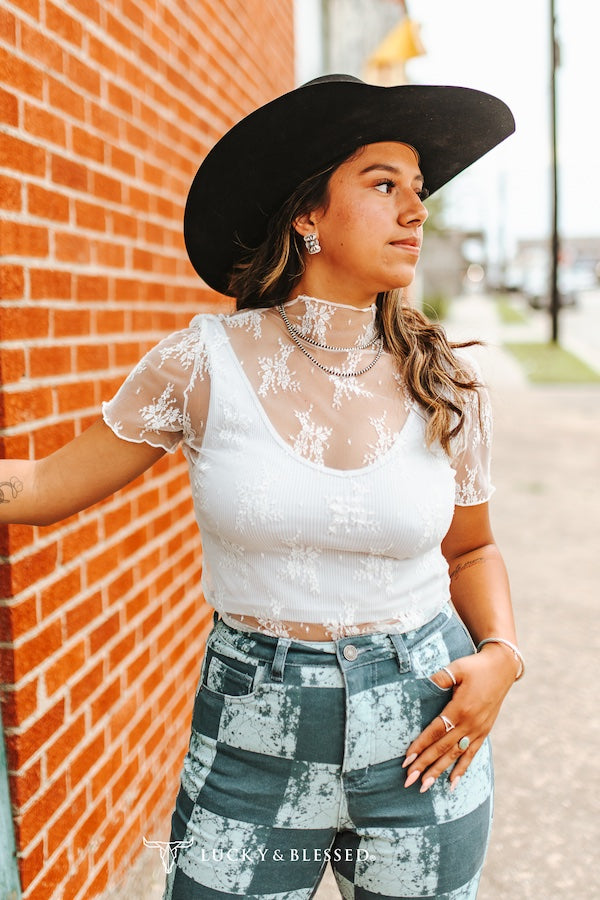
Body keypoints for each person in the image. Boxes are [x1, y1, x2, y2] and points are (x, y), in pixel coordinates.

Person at [1, 75, 524, 899]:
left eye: (418, 191)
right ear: (307, 214)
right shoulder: (201, 362)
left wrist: (501, 655)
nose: (417, 211)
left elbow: (475, 547)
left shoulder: (445, 382)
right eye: (384, 184)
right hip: (251, 732)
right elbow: (37, 485)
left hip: (424, 731)